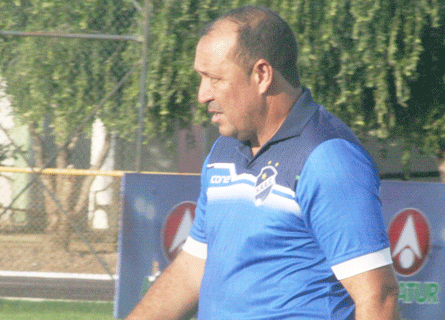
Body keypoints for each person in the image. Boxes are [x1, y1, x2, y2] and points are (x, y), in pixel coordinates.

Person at [127, 5, 401, 320]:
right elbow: (192, 269)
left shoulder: (328, 158)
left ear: (262, 75)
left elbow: (378, 298)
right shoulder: (223, 153)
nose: (203, 94)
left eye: (215, 78)